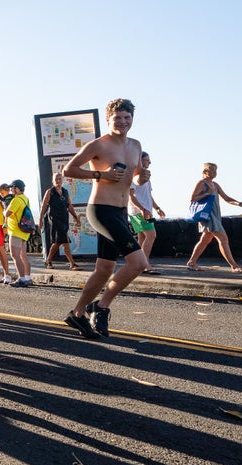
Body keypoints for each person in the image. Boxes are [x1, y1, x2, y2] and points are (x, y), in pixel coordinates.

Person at [62, 98, 150, 339]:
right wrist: (101, 174)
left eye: (127, 117)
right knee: (138, 263)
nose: (123, 122)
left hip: (121, 211)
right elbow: (68, 170)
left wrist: (142, 177)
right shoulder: (98, 145)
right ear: (108, 120)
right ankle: (101, 306)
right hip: (101, 210)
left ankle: (78, 313)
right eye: (117, 118)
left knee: (104, 270)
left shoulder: (136, 145)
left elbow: (133, 177)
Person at [185, 162, 242, 272]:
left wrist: (239, 203)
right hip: (207, 215)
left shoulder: (215, 185)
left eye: (215, 170)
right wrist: (207, 193)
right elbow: (192, 198)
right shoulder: (201, 183)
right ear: (205, 172)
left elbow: (226, 198)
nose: (214, 173)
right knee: (223, 239)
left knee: (205, 240)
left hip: (215, 215)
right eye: (212, 170)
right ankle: (234, 266)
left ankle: (192, 262)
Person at [128, 152, 165, 274]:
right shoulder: (134, 177)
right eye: (147, 160)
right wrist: (142, 209)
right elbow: (131, 197)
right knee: (151, 235)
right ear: (140, 161)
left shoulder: (146, 178)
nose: (149, 163)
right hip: (139, 212)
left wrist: (157, 208)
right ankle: (145, 264)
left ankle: (138, 263)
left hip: (144, 211)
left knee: (142, 238)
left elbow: (149, 195)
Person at [38, 172, 82, 271]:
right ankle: (72, 263)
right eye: (56, 179)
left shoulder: (65, 192)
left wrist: (76, 217)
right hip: (54, 219)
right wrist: (40, 219)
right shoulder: (50, 192)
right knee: (64, 240)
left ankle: (48, 260)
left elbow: (69, 206)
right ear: (53, 181)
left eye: (60, 179)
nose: (58, 181)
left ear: (62, 180)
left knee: (58, 242)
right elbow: (44, 206)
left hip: (64, 219)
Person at [3, 180, 34, 287]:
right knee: (23, 255)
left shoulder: (16, 200)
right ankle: (28, 277)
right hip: (24, 231)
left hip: (15, 231)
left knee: (15, 255)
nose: (11, 190)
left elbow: (7, 213)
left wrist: (4, 207)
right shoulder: (25, 199)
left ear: (17, 188)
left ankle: (21, 279)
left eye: (12, 188)